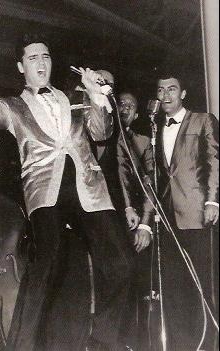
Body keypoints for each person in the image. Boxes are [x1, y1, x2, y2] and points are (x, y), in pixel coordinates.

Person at [0, 35, 129, 351]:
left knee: (121, 260)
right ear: (22, 67)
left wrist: (95, 96)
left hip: (87, 189)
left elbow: (102, 134)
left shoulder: (73, 99)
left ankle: (102, 340)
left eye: (45, 56)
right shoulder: (16, 107)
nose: (41, 62)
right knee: (46, 264)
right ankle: (21, 347)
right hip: (46, 193)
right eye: (33, 57)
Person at [155, 69, 219, 350]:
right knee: (176, 289)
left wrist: (213, 201)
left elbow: (215, 161)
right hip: (168, 221)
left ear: (182, 93)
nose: (166, 94)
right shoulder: (156, 128)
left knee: (205, 286)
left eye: (171, 89)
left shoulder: (203, 120)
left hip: (198, 215)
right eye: (161, 90)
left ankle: (209, 344)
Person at [116, 92, 155, 350]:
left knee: (135, 288)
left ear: (137, 114)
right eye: (121, 104)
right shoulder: (100, 139)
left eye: (131, 105)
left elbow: (152, 184)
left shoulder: (142, 142)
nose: (125, 108)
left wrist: (145, 224)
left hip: (134, 227)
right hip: (108, 223)